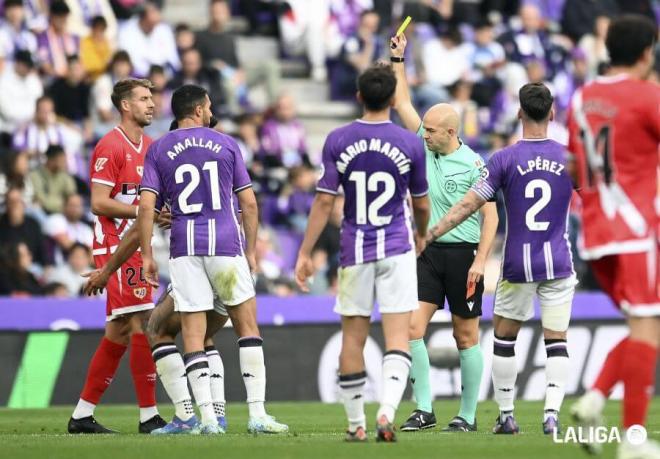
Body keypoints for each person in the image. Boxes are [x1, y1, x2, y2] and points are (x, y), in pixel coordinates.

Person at [420, 82, 576, 436]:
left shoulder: (504, 158)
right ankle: (551, 415)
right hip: (559, 262)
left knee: (505, 338)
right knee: (557, 340)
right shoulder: (570, 159)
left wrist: (430, 233)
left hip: (518, 265)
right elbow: (596, 198)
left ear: (519, 113)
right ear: (552, 114)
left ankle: (507, 415)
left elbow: (469, 205)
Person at [137, 84, 288, 435]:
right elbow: (248, 204)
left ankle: (206, 420)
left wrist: (147, 254)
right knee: (246, 327)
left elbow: (147, 207)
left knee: (192, 332)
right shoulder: (225, 143)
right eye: (209, 106)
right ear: (201, 108)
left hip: (184, 249)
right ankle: (257, 415)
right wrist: (250, 251)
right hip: (224, 244)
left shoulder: (159, 148)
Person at [295, 63, 431, 442]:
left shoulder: (338, 139)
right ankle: (386, 412)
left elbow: (324, 203)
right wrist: (422, 235)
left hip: (355, 250)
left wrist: (305, 252)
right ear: (392, 98)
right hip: (398, 247)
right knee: (398, 338)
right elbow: (421, 204)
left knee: (352, 339)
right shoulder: (410, 142)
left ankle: (356, 425)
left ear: (358, 96)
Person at [390, 33, 498, 432]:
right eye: (426, 129)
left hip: (465, 254)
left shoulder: (474, 165)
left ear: (451, 133)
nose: (425, 134)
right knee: (411, 328)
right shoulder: (426, 144)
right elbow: (401, 101)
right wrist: (397, 59)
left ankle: (467, 416)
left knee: (465, 335)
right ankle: (424, 408)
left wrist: (482, 261)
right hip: (428, 253)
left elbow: (491, 217)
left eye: (432, 130)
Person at [567, 15, 660, 459]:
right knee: (648, 327)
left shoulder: (582, 97)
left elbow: (574, 164)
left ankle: (595, 398)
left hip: (596, 233)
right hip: (637, 229)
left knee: (644, 328)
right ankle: (633, 442)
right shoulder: (647, 96)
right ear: (647, 53)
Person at [67, 78, 166, 435]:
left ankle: (81, 415)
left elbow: (150, 203)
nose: (151, 104)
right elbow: (98, 202)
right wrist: (144, 211)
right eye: (143, 98)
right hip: (113, 243)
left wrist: (158, 212)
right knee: (143, 321)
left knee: (119, 331)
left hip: (138, 245)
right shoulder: (110, 146)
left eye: (151, 98)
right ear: (126, 105)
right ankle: (149, 416)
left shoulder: (152, 148)